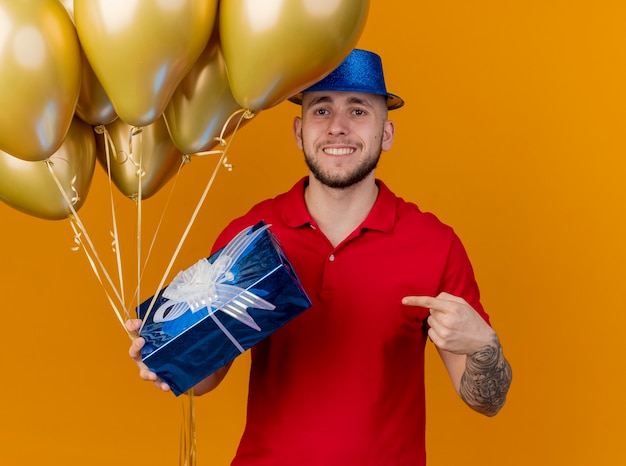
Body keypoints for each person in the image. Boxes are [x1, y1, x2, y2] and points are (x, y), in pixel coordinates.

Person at [128, 48, 512, 465]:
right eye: (322, 109)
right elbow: (207, 378)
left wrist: (484, 345)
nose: (338, 128)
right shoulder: (252, 233)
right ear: (299, 131)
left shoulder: (434, 244)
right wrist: (165, 359)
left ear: (387, 133)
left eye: (359, 111)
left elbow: (485, 401)